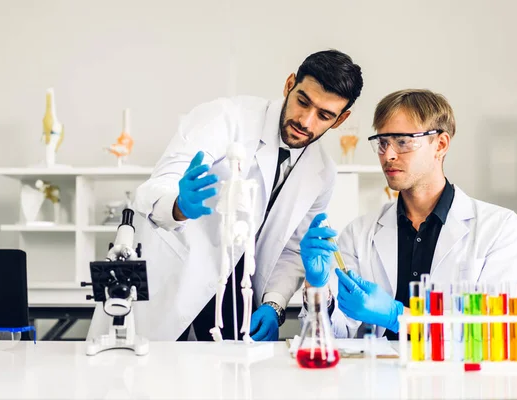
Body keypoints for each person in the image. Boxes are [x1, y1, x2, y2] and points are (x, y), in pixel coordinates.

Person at [128, 49, 363, 341]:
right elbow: (159, 184)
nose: (306, 121)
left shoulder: (323, 172)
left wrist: (274, 303)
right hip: (174, 277)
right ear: (289, 84)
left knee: (229, 382)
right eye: (303, 101)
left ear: (340, 120)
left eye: (324, 115)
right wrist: (178, 205)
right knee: (148, 380)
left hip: (238, 294)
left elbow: (291, 250)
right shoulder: (226, 117)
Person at [300, 89, 517, 338]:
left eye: (403, 142)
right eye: (383, 143)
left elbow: (495, 333)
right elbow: (331, 335)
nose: (388, 155)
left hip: (456, 376)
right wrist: (318, 288)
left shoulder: (498, 228)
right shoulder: (358, 234)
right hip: (376, 375)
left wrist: (396, 316)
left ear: (440, 144)